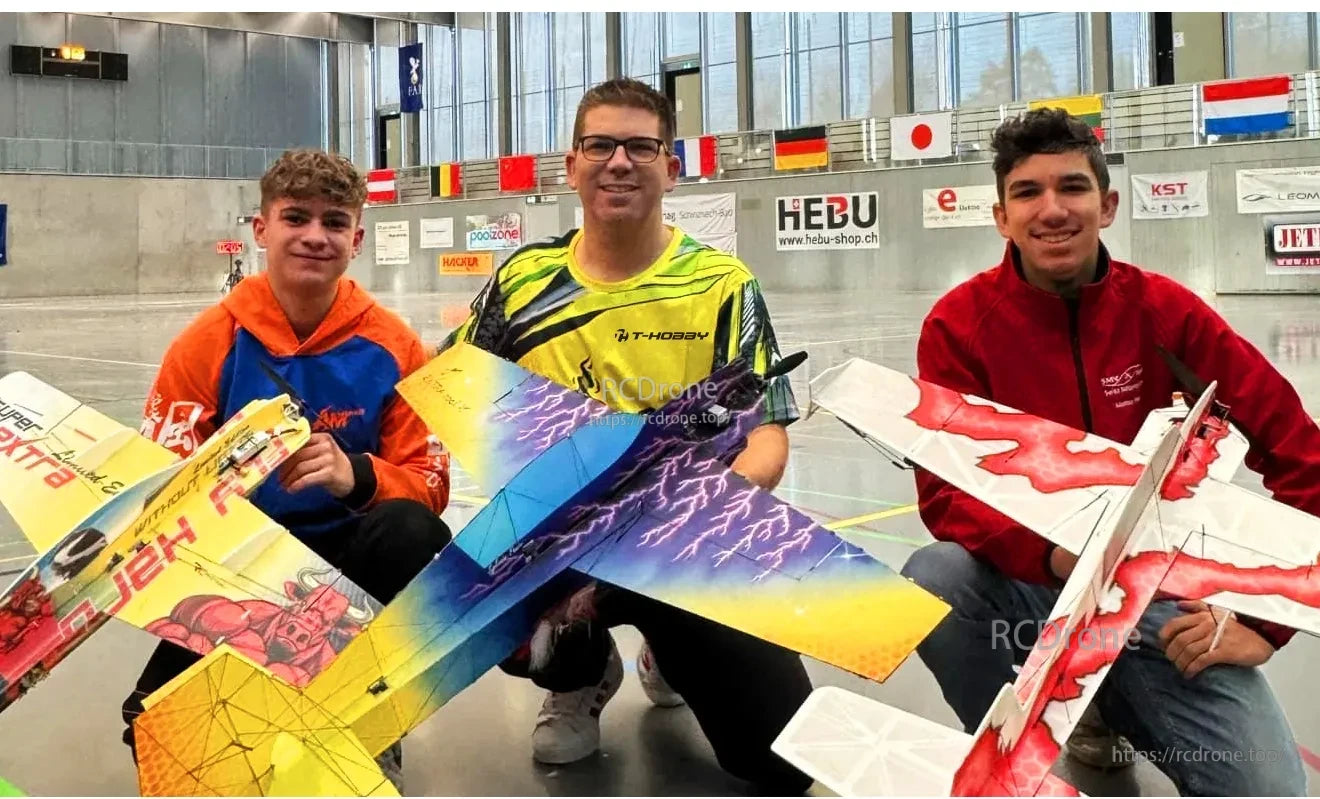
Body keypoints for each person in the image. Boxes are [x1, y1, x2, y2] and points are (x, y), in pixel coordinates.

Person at [900, 108, 1315, 795]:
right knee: (933, 578)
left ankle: (1110, 701)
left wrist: (1265, 624)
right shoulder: (958, 327)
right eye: (1028, 192)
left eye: (1073, 187)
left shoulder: (1167, 314)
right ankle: (1031, 758)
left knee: (1268, 788)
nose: (1052, 209)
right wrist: (1057, 554)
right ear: (1002, 217)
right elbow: (947, 497)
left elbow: (1304, 457)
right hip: (1032, 587)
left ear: (1108, 204)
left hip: (1158, 596)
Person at [439, 77, 813, 793]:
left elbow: (767, 434)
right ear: (571, 165)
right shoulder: (523, 280)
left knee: (779, 767)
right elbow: (458, 388)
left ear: (671, 166)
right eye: (600, 145)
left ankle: (668, 652)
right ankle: (579, 671)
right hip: (565, 544)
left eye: (641, 146)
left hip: (685, 541)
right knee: (475, 583)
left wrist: (712, 494)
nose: (619, 161)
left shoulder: (722, 284)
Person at [121, 149, 453, 789]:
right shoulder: (205, 344)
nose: (313, 236)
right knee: (148, 732)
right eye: (295, 217)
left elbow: (430, 486)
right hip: (240, 568)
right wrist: (222, 479)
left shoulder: (395, 347)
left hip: (350, 557)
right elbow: (157, 497)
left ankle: (365, 721)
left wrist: (356, 474)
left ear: (355, 239)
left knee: (413, 534)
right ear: (262, 229)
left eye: (333, 222)